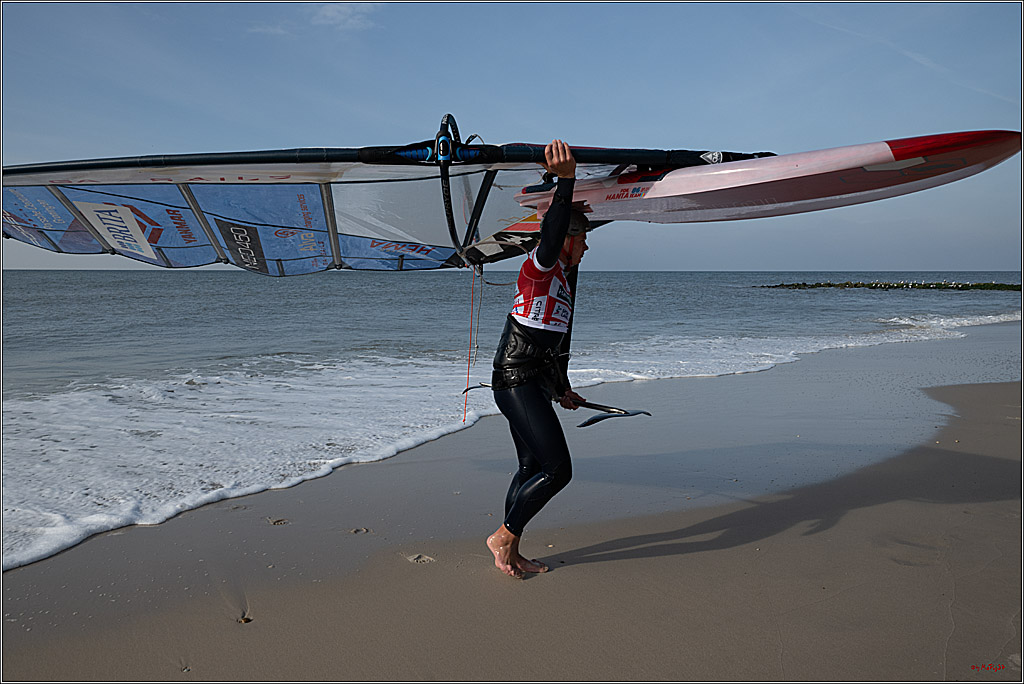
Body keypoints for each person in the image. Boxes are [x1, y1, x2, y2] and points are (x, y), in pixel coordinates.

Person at [485, 139, 589, 579]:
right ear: (564, 240)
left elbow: (554, 347)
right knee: (558, 470)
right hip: (513, 382)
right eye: (580, 242)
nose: (585, 250)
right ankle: (503, 535)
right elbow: (549, 235)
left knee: (530, 467)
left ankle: (509, 550)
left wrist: (561, 388)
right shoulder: (538, 269)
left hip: (533, 383)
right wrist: (564, 183)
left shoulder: (564, 286)